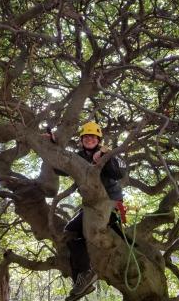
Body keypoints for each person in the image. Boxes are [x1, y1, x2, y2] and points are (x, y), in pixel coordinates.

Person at [46, 122, 126, 301]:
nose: (89, 139)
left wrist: (104, 158)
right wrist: (52, 146)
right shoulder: (77, 157)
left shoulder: (107, 153)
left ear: (98, 140)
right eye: (86, 137)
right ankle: (82, 280)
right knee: (70, 232)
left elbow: (118, 173)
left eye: (93, 137)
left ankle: (86, 273)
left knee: (85, 231)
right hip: (90, 206)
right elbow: (59, 168)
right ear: (81, 140)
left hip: (109, 203)